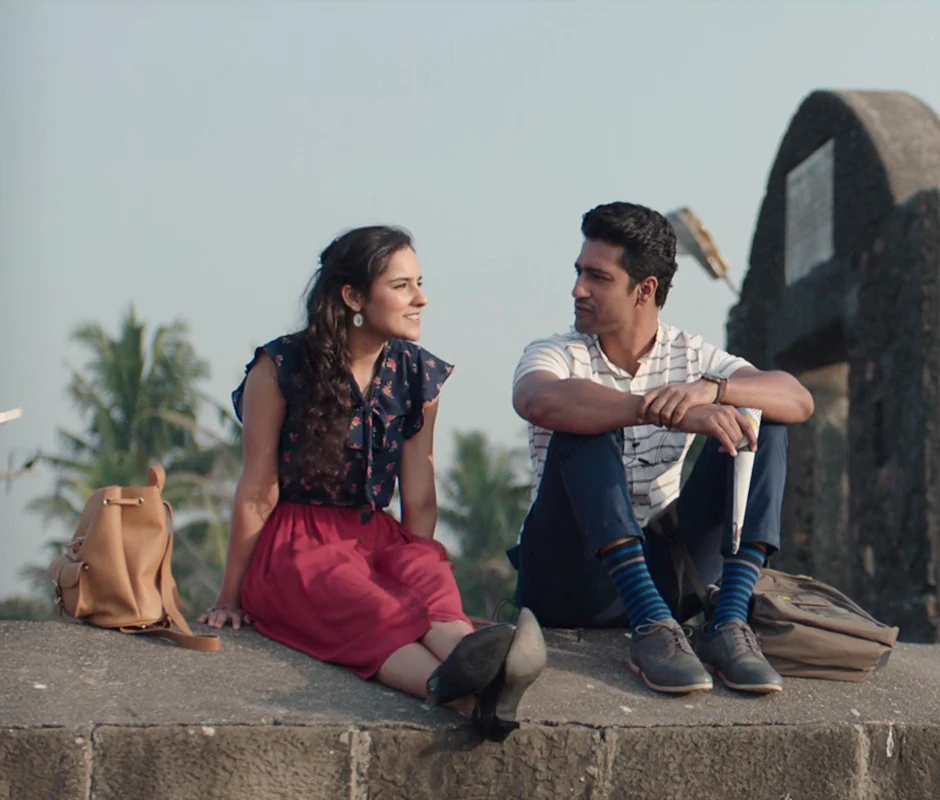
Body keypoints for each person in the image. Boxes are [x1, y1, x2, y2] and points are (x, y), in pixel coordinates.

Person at [201, 226, 547, 741]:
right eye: (402, 286)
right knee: (373, 608)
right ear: (354, 298)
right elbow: (258, 490)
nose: (420, 299)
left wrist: (416, 567)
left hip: (378, 535)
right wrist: (229, 597)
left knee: (428, 587)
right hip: (300, 544)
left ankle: (476, 662)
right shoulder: (280, 368)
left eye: (420, 283)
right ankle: (471, 695)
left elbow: (420, 498)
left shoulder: (417, 374)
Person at [508, 201, 814, 696]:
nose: (578, 289)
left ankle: (729, 622)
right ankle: (649, 623)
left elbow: (798, 399)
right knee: (585, 422)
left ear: (644, 290)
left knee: (764, 418)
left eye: (597, 277)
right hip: (571, 580)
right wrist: (657, 409)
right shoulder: (557, 353)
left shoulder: (690, 356)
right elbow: (536, 399)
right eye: (579, 272)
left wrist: (714, 391)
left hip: (669, 570)